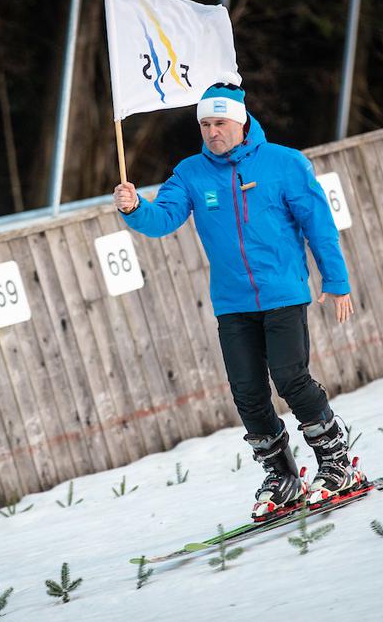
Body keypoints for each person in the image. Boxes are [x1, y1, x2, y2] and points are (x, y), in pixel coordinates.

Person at [113, 73, 358, 520]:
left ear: (241, 123)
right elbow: (162, 218)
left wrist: (335, 280)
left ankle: (336, 463)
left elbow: (319, 225)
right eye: (205, 126)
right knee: (247, 392)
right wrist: (134, 208)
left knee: (290, 378)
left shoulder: (284, 164)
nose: (211, 132)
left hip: (283, 292)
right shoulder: (190, 174)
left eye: (219, 124)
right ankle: (283, 476)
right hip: (233, 303)